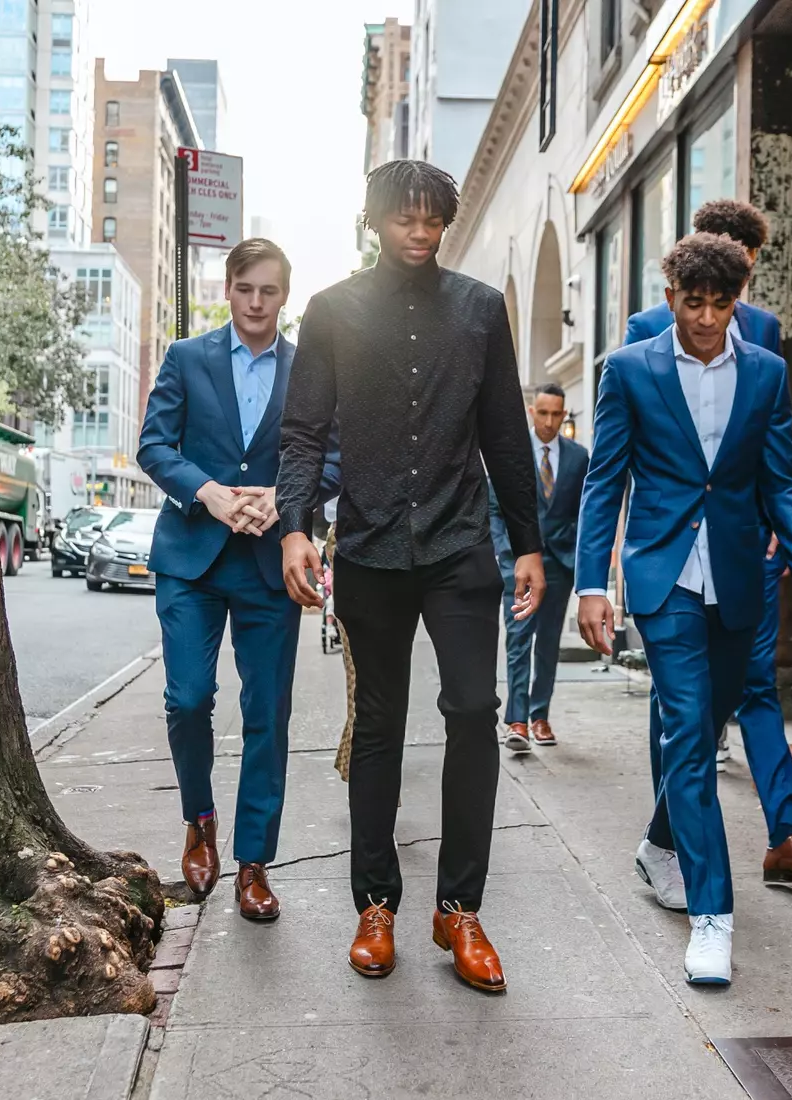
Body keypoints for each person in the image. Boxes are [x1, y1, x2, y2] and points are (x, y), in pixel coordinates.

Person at [278, 160, 544, 994]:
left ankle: (460, 909)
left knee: (473, 711)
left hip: (460, 545)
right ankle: (375, 904)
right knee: (379, 726)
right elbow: (303, 431)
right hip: (370, 546)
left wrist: (529, 543)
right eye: (405, 219)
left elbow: (506, 433)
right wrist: (295, 528)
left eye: (433, 220)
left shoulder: (480, 309)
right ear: (375, 220)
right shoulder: (332, 310)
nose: (420, 234)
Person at [576, 233, 792, 986]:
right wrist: (593, 584)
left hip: (738, 575)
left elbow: (785, 481)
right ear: (671, 299)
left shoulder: (765, 373)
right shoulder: (630, 369)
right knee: (689, 728)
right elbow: (605, 481)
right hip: (664, 577)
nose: (708, 319)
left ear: (736, 302)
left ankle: (659, 842)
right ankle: (712, 917)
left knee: (709, 718)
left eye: (722, 304)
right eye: (694, 303)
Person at [138, 239, 339, 917]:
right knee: (188, 698)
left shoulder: (309, 367)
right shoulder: (186, 358)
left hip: (269, 564)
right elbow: (154, 445)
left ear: (285, 296)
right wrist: (209, 493)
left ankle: (254, 862)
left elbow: (334, 457)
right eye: (246, 288)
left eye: (269, 291)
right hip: (191, 558)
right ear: (227, 288)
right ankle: (199, 819)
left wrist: (285, 499)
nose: (256, 303)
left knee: (267, 714)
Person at [629, 200, 779, 768]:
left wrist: (778, 525)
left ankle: (771, 817)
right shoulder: (645, 334)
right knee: (679, 706)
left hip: (740, 540)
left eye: (745, 258)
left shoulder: (765, 336)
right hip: (669, 548)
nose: (709, 315)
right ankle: (680, 801)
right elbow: (623, 456)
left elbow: (772, 442)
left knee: (741, 685)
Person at [490, 382, 587, 753]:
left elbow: (585, 511)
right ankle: (517, 720)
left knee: (548, 644)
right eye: (542, 413)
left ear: (564, 415)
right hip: (518, 567)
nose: (549, 421)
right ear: (532, 411)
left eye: (556, 414)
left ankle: (540, 715)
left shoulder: (578, 458)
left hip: (559, 565)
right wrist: (506, 555)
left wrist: (575, 552)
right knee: (518, 640)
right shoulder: (511, 452)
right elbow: (495, 508)